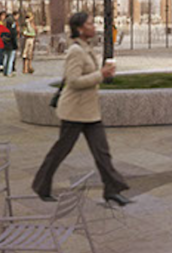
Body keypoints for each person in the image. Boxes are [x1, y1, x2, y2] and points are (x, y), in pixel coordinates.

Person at [32, 12, 131, 206]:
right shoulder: (75, 51)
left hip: (89, 112)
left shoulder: (86, 48)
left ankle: (112, 189)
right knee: (60, 151)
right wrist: (101, 75)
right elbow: (74, 81)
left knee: (102, 151)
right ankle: (41, 186)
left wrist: (103, 73)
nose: (94, 26)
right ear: (79, 29)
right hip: (74, 112)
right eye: (89, 24)